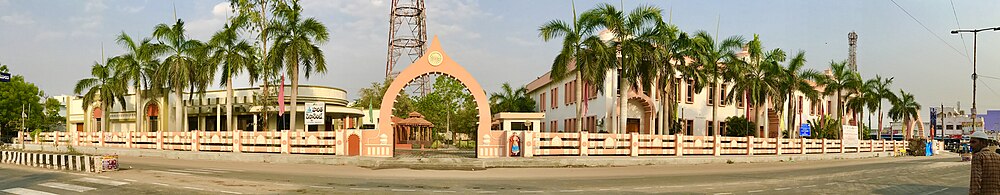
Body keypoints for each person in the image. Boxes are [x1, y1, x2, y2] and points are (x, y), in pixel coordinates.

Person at [969, 131, 1000, 195]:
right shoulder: (998, 156)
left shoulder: (978, 156)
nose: (971, 145)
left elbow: (975, 181)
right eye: (970, 142)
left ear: (983, 143)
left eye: (973, 142)